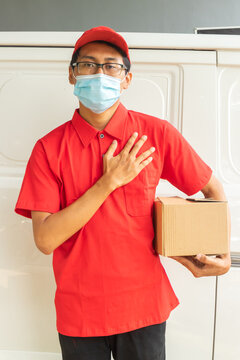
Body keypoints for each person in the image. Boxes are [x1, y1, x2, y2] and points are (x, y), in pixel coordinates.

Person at [14, 26, 231, 360]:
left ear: (126, 79)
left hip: (143, 307)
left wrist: (219, 252)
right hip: (79, 314)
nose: (100, 73)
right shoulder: (48, 149)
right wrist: (108, 183)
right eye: (88, 64)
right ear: (72, 75)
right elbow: (45, 239)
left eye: (111, 65)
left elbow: (213, 191)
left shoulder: (156, 134)